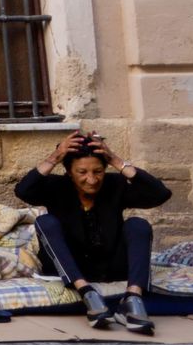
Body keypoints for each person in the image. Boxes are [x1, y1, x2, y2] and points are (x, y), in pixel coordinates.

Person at [16, 130, 171, 334]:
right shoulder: (56, 187)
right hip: (72, 267)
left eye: (98, 171)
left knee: (138, 224)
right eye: (82, 172)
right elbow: (23, 190)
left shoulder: (115, 185)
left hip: (111, 266)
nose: (91, 180)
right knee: (46, 222)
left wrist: (115, 160)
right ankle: (87, 293)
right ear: (69, 172)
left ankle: (132, 299)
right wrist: (55, 157)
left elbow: (160, 194)